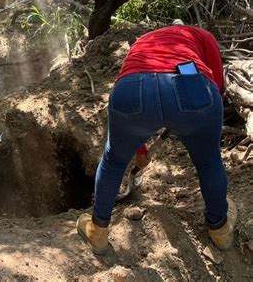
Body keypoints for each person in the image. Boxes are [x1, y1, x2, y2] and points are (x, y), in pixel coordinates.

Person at [76, 23, 237, 254]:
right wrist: (194, 116)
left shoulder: (142, 42)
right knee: (209, 161)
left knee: (114, 160)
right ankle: (220, 230)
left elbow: (134, 96)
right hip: (192, 87)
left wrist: (140, 150)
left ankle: (98, 232)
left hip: (133, 89)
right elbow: (217, 85)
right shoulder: (201, 35)